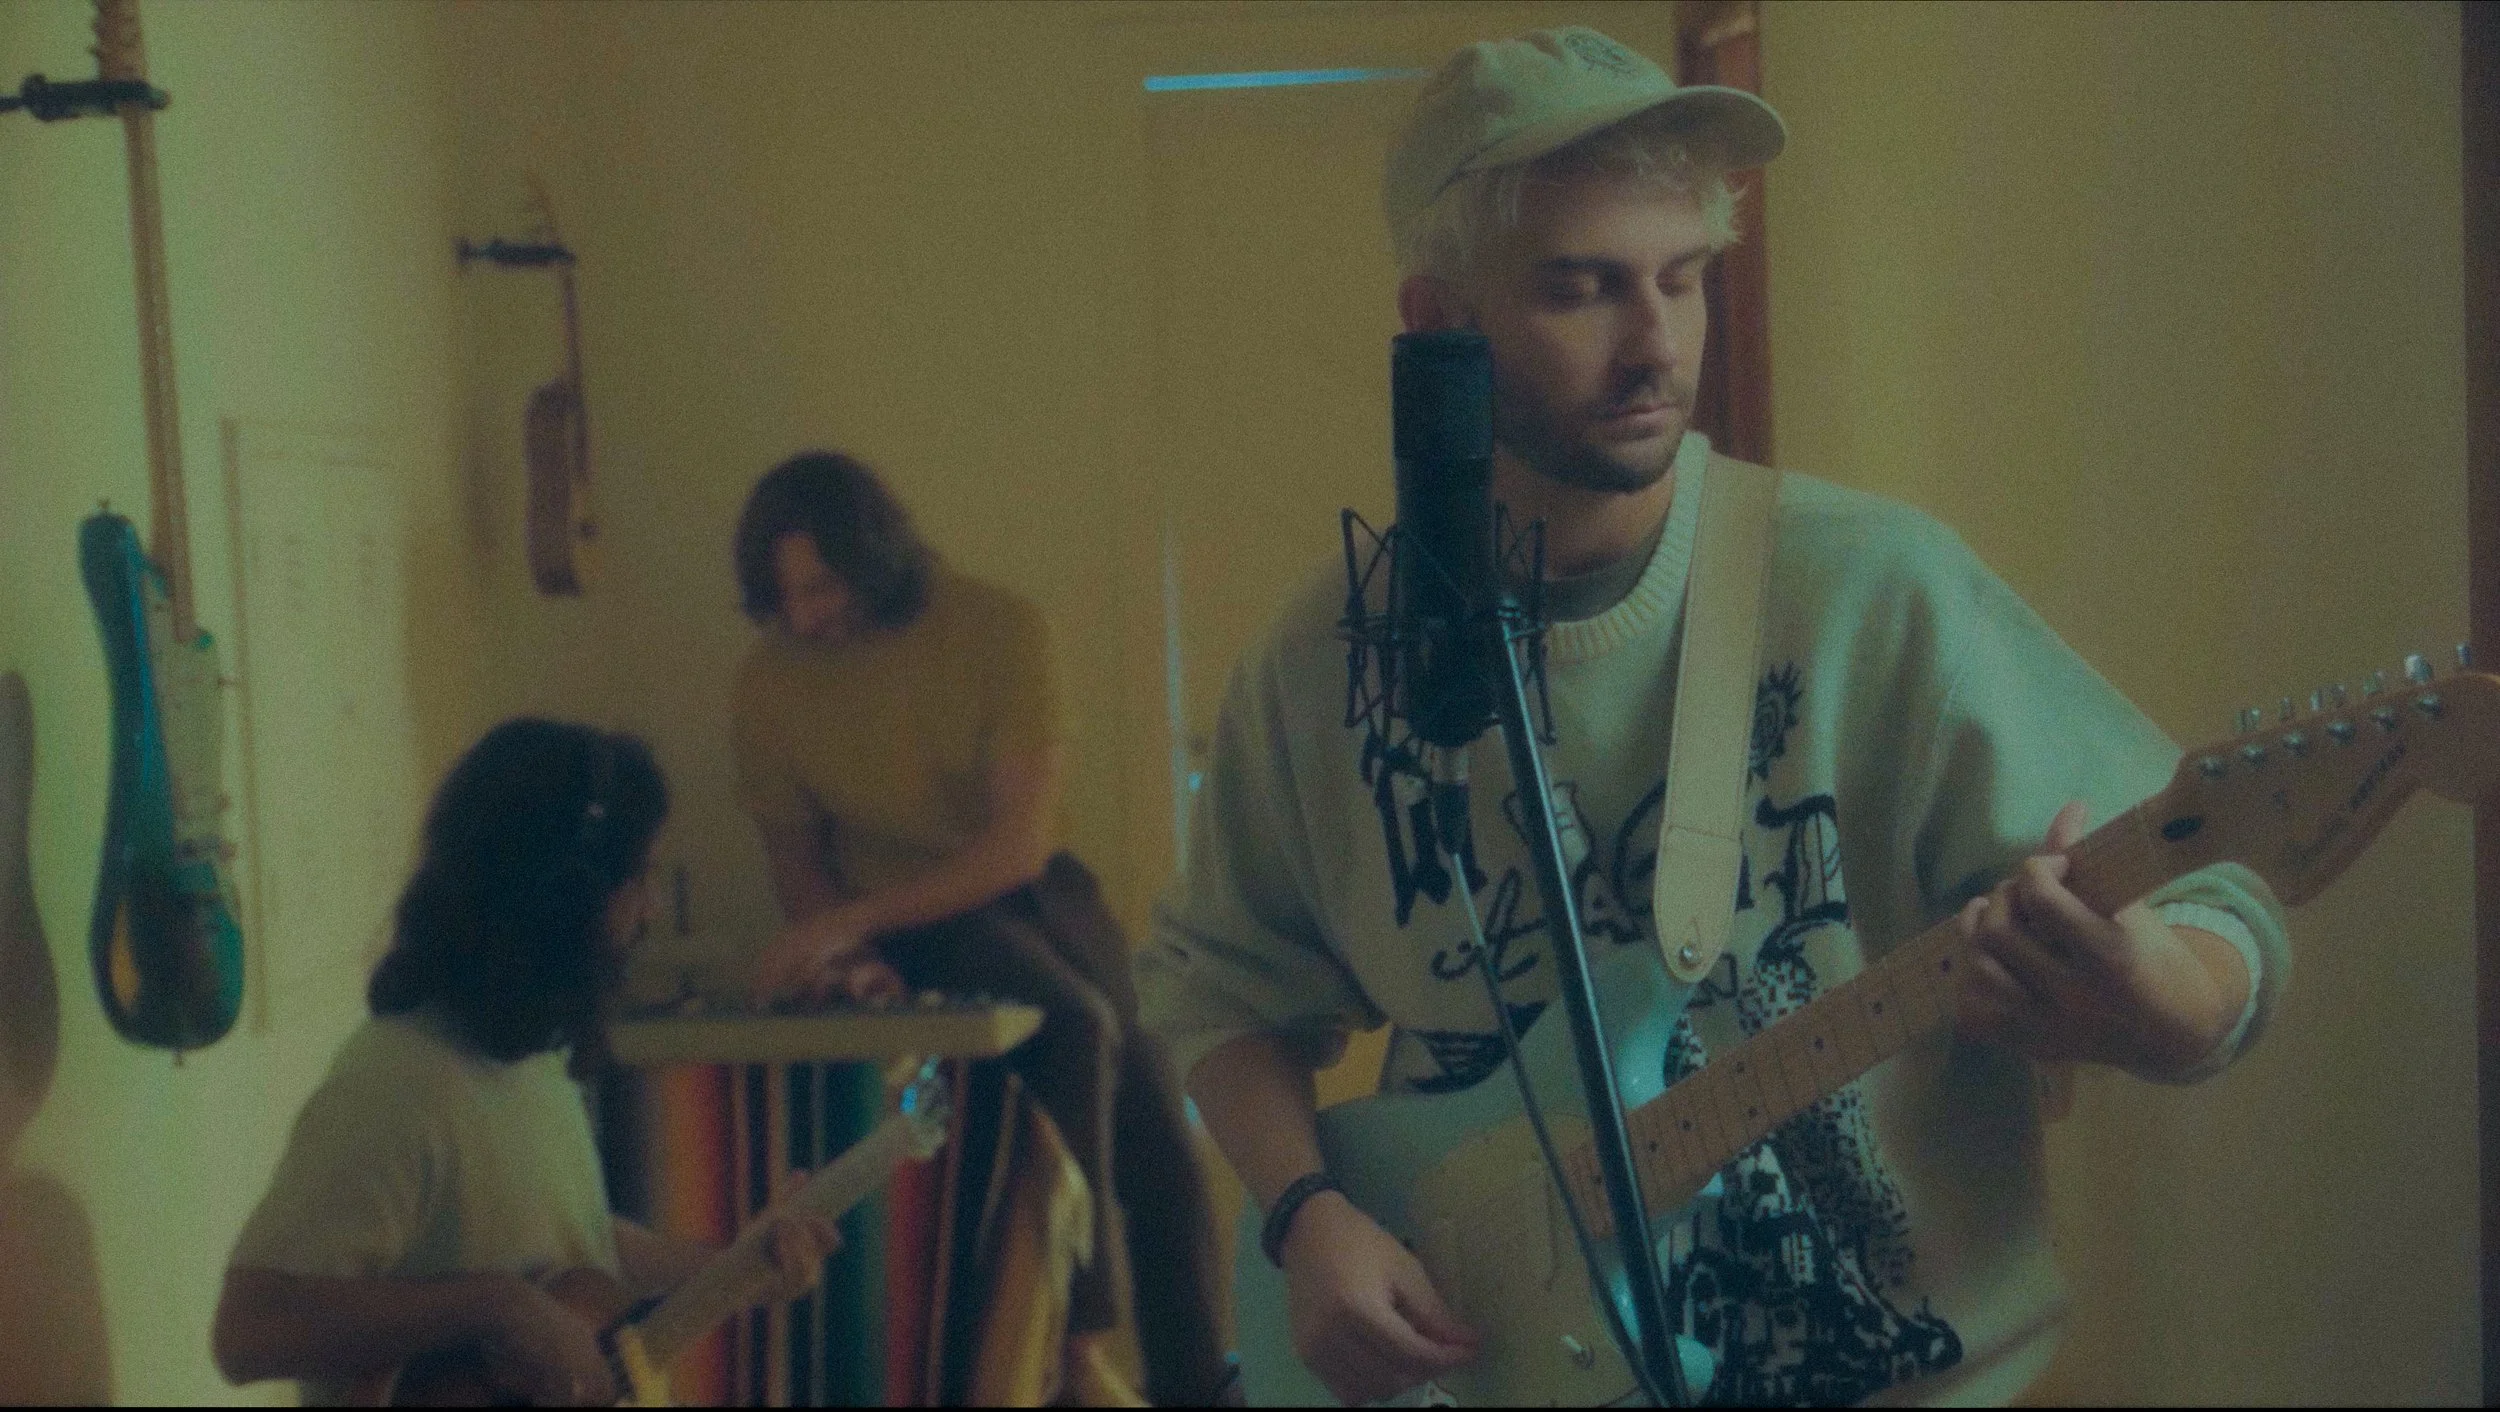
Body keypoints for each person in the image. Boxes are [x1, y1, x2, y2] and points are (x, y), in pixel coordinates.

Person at [1136, 26, 2290, 1408]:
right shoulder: (1325, 656)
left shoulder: (1875, 589)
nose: (1657, 345)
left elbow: (2214, 894)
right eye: (1581, 289)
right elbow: (1219, 986)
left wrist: (2162, 1004)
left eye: (1683, 279)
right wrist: (1304, 1212)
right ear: (1438, 321)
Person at [730, 451, 1228, 1405]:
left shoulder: (997, 628)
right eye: (782, 597)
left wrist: (851, 920)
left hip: (1025, 892)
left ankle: (1198, 1388)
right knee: (1074, 1026)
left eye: (820, 587)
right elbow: (796, 863)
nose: (804, 616)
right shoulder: (766, 684)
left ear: (871, 560)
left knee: (1161, 1124)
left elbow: (1018, 846)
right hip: (905, 925)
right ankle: (1076, 1354)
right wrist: (850, 954)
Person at [212, 719, 840, 1407]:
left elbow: (577, 1251)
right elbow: (246, 1332)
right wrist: (495, 1305)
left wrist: (734, 1268)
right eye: (639, 880)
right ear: (565, 902)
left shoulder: (536, 1055)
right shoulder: (397, 1085)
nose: (652, 910)